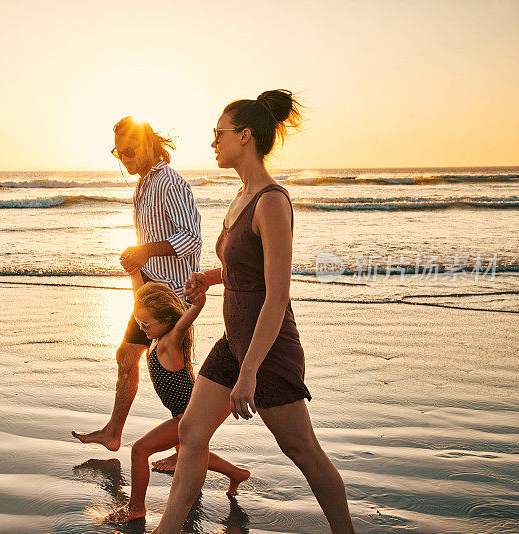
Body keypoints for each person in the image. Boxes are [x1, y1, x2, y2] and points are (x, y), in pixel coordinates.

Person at [151, 91, 355, 533]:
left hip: (269, 346)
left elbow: (276, 295)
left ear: (244, 136)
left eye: (218, 134)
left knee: (302, 450)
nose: (213, 143)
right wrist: (211, 276)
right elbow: (245, 272)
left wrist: (249, 374)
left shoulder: (271, 201)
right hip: (234, 341)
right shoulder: (241, 195)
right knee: (191, 433)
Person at [72, 117, 203, 468]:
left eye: (129, 151)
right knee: (127, 356)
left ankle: (185, 448)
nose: (124, 159)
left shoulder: (169, 183)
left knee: (175, 370)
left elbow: (191, 239)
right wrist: (138, 266)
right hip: (150, 290)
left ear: (147, 145)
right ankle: (114, 432)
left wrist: (145, 251)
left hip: (173, 296)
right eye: (118, 152)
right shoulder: (145, 183)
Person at [105, 278, 249, 523]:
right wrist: (135, 272)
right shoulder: (155, 337)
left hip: (189, 416)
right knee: (190, 453)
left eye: (146, 324)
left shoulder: (171, 340)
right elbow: (141, 296)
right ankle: (237, 473)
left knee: (140, 450)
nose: (141, 328)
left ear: (166, 321)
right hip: (181, 414)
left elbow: (182, 325)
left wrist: (197, 305)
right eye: (139, 322)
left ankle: (136, 507)